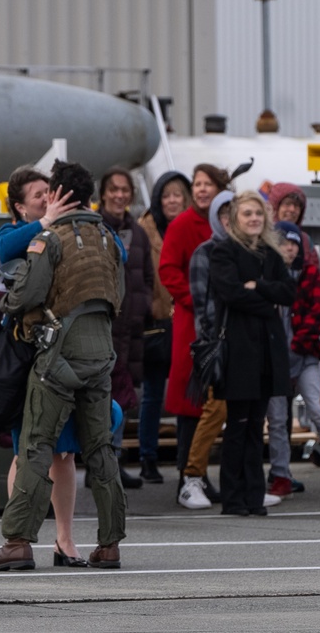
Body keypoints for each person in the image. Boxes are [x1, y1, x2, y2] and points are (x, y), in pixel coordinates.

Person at [0, 160, 126, 571]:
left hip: (58, 356)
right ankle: (110, 544)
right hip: (101, 355)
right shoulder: (107, 236)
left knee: (35, 446)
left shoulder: (51, 238)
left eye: (50, 191)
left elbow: (26, 295)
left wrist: (8, 303)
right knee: (100, 449)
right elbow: (120, 291)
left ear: (61, 192)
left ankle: (18, 542)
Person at [0, 164, 85, 565]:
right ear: (20, 206)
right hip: (30, 361)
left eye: (51, 191)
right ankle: (20, 537)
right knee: (27, 452)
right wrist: (45, 223)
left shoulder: (69, 233)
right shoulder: (13, 234)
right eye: (38, 196)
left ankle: (64, 539)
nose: (49, 199)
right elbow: (3, 252)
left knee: (65, 455)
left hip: (67, 355)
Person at [209, 191, 296, 516]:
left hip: (267, 351)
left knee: (256, 423)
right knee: (238, 425)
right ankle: (234, 498)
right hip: (238, 349)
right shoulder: (224, 251)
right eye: (247, 214)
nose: (253, 219)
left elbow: (288, 293)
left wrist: (257, 286)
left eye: (258, 214)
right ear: (234, 219)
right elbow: (230, 293)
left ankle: (254, 497)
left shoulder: (270, 252)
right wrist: (265, 297)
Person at [158, 164, 233, 505]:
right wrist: (195, 298)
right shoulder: (182, 224)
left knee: (215, 402)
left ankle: (201, 474)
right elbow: (168, 271)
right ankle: (187, 477)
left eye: (208, 184)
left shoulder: (229, 224)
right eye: (198, 184)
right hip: (191, 323)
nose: (202, 190)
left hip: (225, 322)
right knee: (191, 402)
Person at [266, 221, 320, 500]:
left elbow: (316, 317)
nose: (288, 248)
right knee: (276, 420)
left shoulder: (312, 274)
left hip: (305, 356)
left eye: (293, 243)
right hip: (274, 361)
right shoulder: (267, 275)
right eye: (282, 243)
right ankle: (280, 475)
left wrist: (296, 347)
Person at [98, 166, 153, 490]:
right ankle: (98, 462)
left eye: (125, 190)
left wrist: (142, 305)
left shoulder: (138, 232)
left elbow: (146, 277)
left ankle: (113, 461)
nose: (120, 195)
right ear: (103, 193)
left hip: (130, 330)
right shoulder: (93, 228)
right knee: (98, 397)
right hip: (103, 327)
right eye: (114, 189)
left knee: (122, 395)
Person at [179, 190, 235, 509]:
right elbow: (204, 305)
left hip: (246, 344)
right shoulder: (205, 252)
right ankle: (192, 478)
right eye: (224, 215)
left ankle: (239, 480)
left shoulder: (248, 249)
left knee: (243, 414)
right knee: (216, 409)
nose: (230, 220)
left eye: (234, 214)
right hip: (216, 344)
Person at [137, 171, 191, 484]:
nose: (172, 201)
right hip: (157, 322)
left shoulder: (191, 228)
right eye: (166, 195)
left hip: (186, 321)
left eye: (178, 195)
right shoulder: (145, 230)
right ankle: (148, 457)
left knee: (187, 394)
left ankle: (187, 461)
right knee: (153, 394)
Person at [268, 181, 320, 267]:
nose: (292, 209)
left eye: (296, 205)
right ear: (275, 207)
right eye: (287, 204)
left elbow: (314, 275)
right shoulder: (262, 239)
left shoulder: (306, 241)